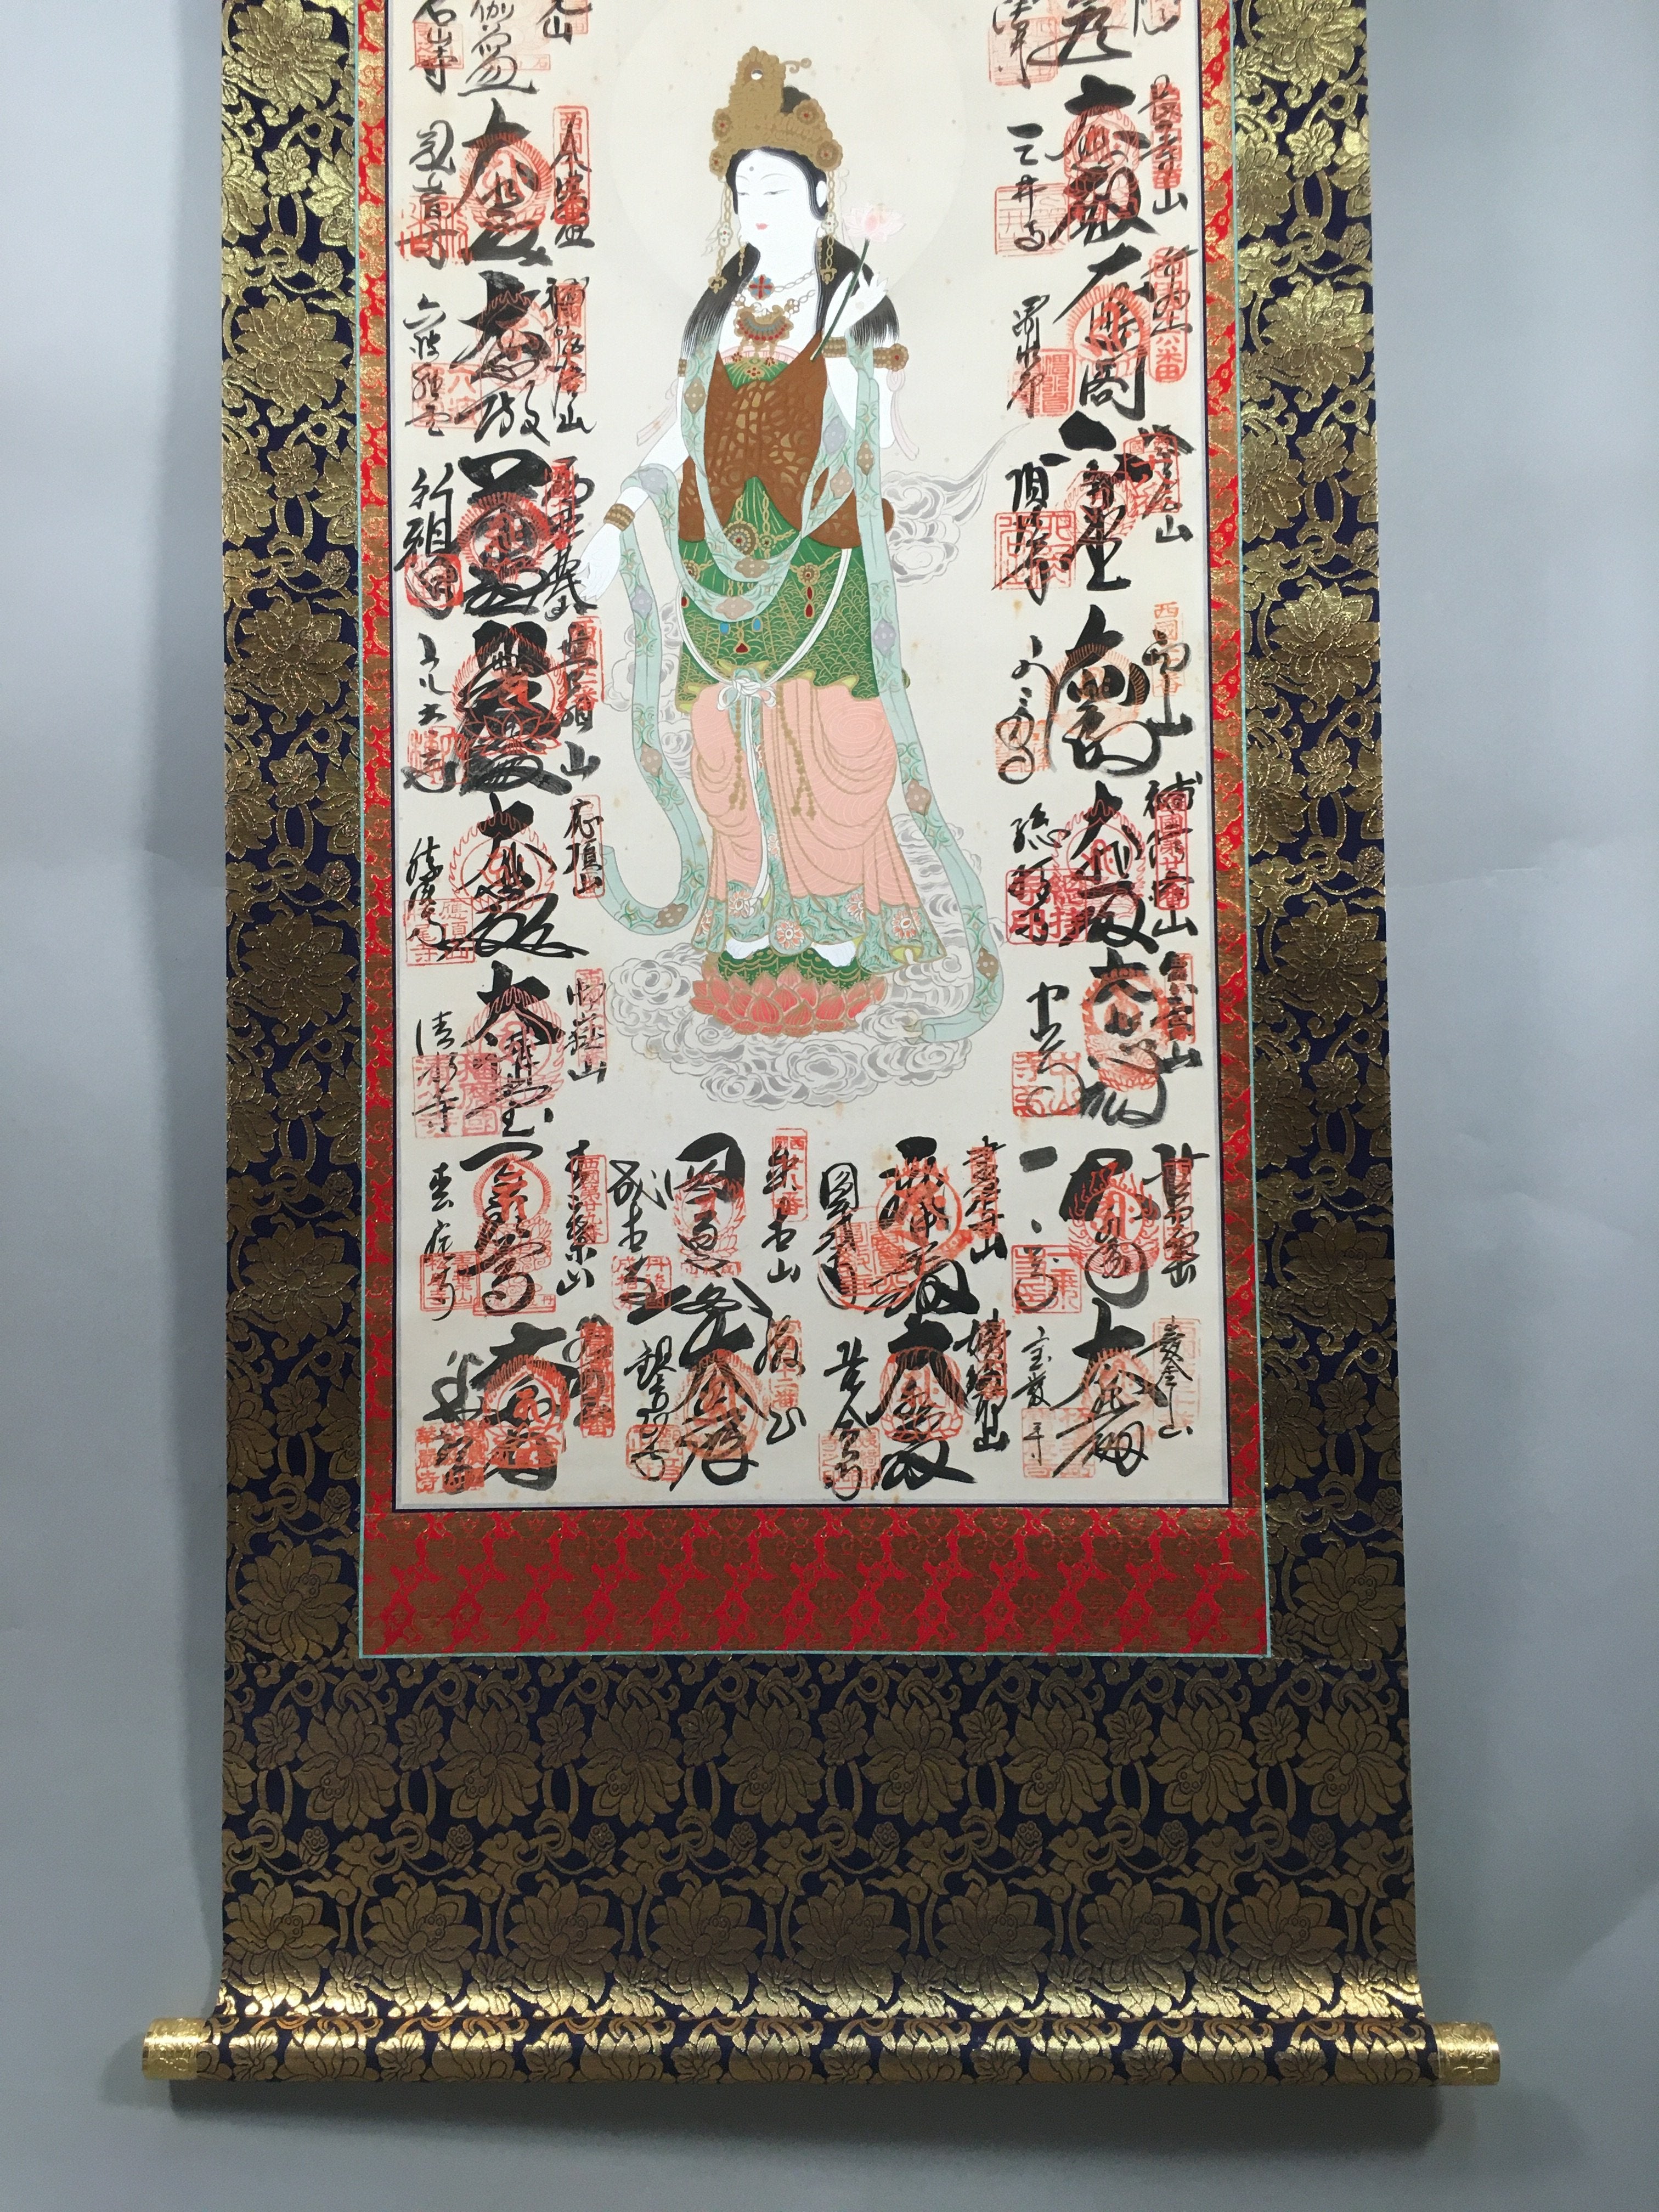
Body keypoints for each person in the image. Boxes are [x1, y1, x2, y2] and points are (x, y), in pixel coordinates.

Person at [575, 50, 997, 1041]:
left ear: (818, 196)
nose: (757, 207)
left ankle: (834, 936)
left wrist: (856, 357)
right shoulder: (716, 307)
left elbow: (875, 422)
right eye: (744, 191)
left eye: (775, 187)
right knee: (726, 743)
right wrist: (620, 518)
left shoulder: (855, 294)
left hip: (818, 553)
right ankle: (749, 928)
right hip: (717, 559)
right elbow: (681, 430)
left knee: (832, 739)